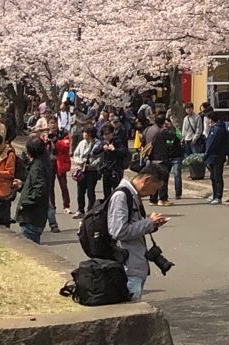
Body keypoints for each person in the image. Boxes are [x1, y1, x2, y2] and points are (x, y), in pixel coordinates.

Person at [108, 163, 170, 301]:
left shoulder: (133, 195)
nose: (153, 194)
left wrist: (152, 225)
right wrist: (149, 223)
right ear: (146, 180)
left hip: (135, 264)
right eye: (154, 189)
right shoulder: (122, 196)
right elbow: (118, 231)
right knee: (130, 308)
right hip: (127, 267)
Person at [15, 135, 55, 244]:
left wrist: (25, 203)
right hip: (37, 216)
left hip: (31, 217)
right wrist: (22, 185)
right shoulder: (43, 163)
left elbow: (39, 189)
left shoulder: (37, 167)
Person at [149, 118, 184, 206]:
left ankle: (153, 199)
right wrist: (171, 127)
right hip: (161, 157)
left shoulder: (150, 129)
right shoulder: (162, 131)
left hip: (152, 157)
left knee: (155, 178)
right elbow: (172, 135)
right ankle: (162, 199)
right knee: (162, 179)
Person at [204, 110, 229, 205]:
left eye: (208, 119)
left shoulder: (218, 129)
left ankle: (218, 196)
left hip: (217, 156)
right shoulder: (214, 128)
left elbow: (212, 144)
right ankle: (214, 195)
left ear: (211, 119)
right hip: (213, 156)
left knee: (217, 177)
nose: (207, 121)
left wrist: (206, 154)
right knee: (213, 177)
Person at [73, 123, 99, 216]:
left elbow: (99, 158)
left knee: (90, 192)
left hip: (92, 171)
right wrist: (78, 161)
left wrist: (91, 164)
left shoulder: (97, 144)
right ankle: (80, 210)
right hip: (82, 170)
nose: (83, 134)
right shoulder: (82, 143)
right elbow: (75, 154)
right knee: (80, 192)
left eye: (85, 132)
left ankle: (90, 210)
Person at [53, 124, 73, 218]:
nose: (53, 126)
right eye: (51, 124)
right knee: (50, 187)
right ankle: (52, 207)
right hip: (50, 163)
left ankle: (66, 205)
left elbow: (66, 146)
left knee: (63, 186)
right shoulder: (45, 135)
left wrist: (56, 141)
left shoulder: (62, 134)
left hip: (60, 163)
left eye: (54, 123)